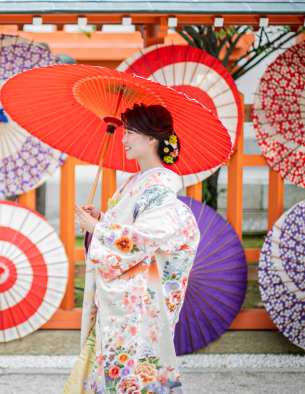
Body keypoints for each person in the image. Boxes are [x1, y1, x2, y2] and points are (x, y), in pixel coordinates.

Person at [65, 104, 200, 394]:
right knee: (113, 360)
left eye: (131, 132)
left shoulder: (160, 186)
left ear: (151, 139)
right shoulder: (136, 180)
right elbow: (128, 226)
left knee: (133, 366)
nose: (124, 139)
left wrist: (98, 230)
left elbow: (145, 238)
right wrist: (102, 219)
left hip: (139, 301)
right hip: (124, 296)